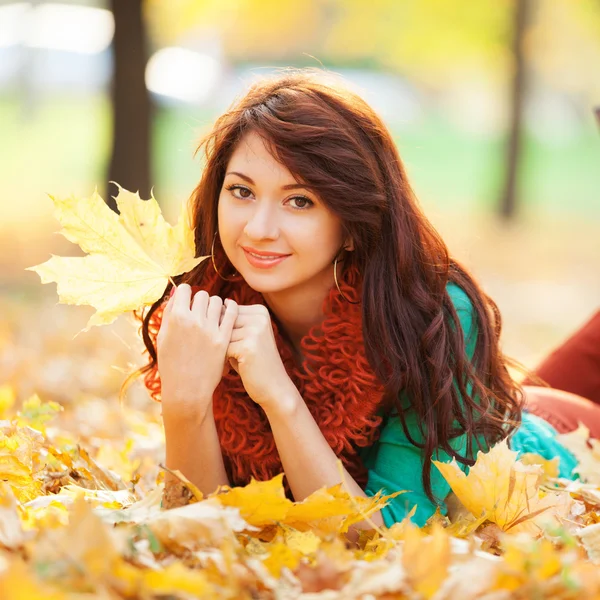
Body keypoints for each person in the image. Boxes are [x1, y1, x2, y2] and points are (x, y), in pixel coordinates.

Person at [130, 69, 600, 538]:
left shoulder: (430, 316)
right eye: (242, 191)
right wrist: (185, 401)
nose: (258, 228)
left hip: (564, 443)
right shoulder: (205, 305)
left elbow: (384, 540)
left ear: (354, 222)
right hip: (487, 406)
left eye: (300, 201)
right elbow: (205, 531)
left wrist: (277, 393)